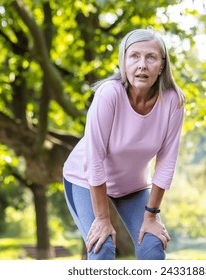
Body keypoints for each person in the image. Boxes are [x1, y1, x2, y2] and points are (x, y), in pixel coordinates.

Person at [62, 28, 185, 260]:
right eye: (134, 56)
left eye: (151, 57)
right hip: (84, 180)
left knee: (153, 247)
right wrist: (102, 219)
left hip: (132, 186)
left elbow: (167, 163)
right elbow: (95, 160)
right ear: (123, 63)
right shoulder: (109, 95)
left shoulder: (173, 101)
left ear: (161, 65)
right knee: (102, 248)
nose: (142, 65)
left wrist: (151, 216)